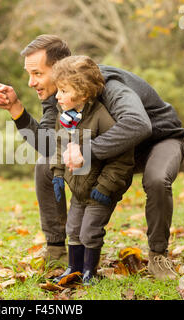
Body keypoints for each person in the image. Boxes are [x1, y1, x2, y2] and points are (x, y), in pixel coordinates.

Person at [0, 34, 184, 281]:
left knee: (157, 178)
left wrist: (85, 152)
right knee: (46, 165)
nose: (31, 82)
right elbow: (47, 146)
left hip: (158, 141)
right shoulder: (57, 96)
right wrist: (16, 109)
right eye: (28, 74)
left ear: (58, 69)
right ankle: (57, 251)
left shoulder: (108, 84)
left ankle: (158, 256)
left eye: (37, 73)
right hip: (110, 151)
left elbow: (139, 125)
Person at [49, 55, 134, 285]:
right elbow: (59, 144)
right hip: (78, 187)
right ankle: (73, 268)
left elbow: (123, 157)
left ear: (83, 93)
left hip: (100, 189)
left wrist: (105, 187)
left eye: (63, 91)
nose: (57, 96)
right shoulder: (63, 115)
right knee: (73, 229)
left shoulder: (101, 118)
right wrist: (58, 172)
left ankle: (89, 272)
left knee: (90, 231)